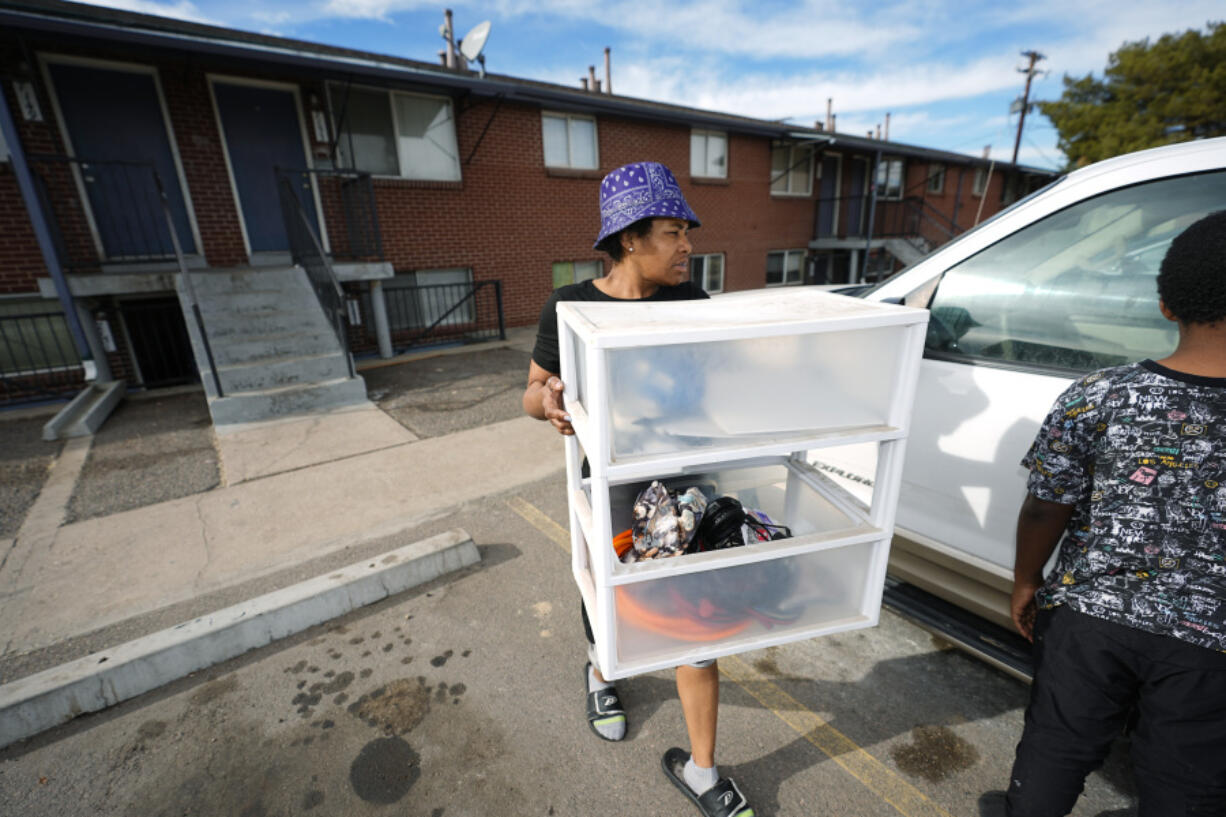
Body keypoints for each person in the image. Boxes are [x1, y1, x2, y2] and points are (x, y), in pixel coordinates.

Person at [523, 161, 755, 817]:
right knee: (612, 604)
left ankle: (704, 772)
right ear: (629, 238)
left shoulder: (690, 301)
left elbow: (726, 379)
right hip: (610, 485)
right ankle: (601, 675)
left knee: (694, 620)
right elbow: (531, 390)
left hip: (683, 488)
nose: (689, 245)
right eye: (674, 231)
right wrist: (552, 403)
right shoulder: (570, 306)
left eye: (688, 232)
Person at [1004, 210, 1226, 816]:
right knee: (1189, 783)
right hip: (1211, 643)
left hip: (1089, 617)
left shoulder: (1100, 393)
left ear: (1165, 305)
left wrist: (1027, 581)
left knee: (1054, 748)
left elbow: (1046, 506)